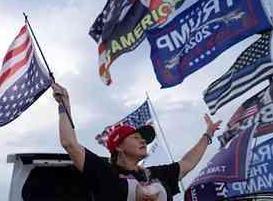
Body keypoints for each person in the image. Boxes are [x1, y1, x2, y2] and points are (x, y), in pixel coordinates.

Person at [52, 83, 222, 201]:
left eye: (143, 139)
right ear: (119, 147)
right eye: (135, 138)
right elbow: (70, 143)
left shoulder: (157, 174)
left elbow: (188, 162)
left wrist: (207, 135)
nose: (143, 141)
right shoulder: (105, 173)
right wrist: (64, 104)